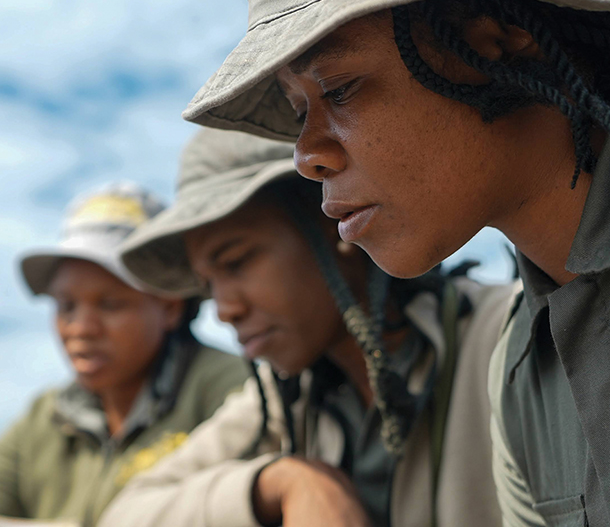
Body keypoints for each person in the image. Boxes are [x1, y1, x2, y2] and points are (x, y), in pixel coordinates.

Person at [178, 0, 610, 525]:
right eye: (300, 110)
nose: (307, 156)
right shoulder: (522, 369)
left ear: (497, 39)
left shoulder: (492, 345)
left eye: (341, 88)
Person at [99, 128, 520, 527]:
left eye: (236, 263)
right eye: (208, 284)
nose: (224, 309)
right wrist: (283, 482)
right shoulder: (286, 396)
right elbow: (127, 513)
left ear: (335, 221)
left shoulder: (509, 337)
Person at [0, 182, 249, 526]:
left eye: (111, 304)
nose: (81, 328)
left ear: (170, 306)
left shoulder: (233, 393)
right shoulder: (43, 419)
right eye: (66, 306)